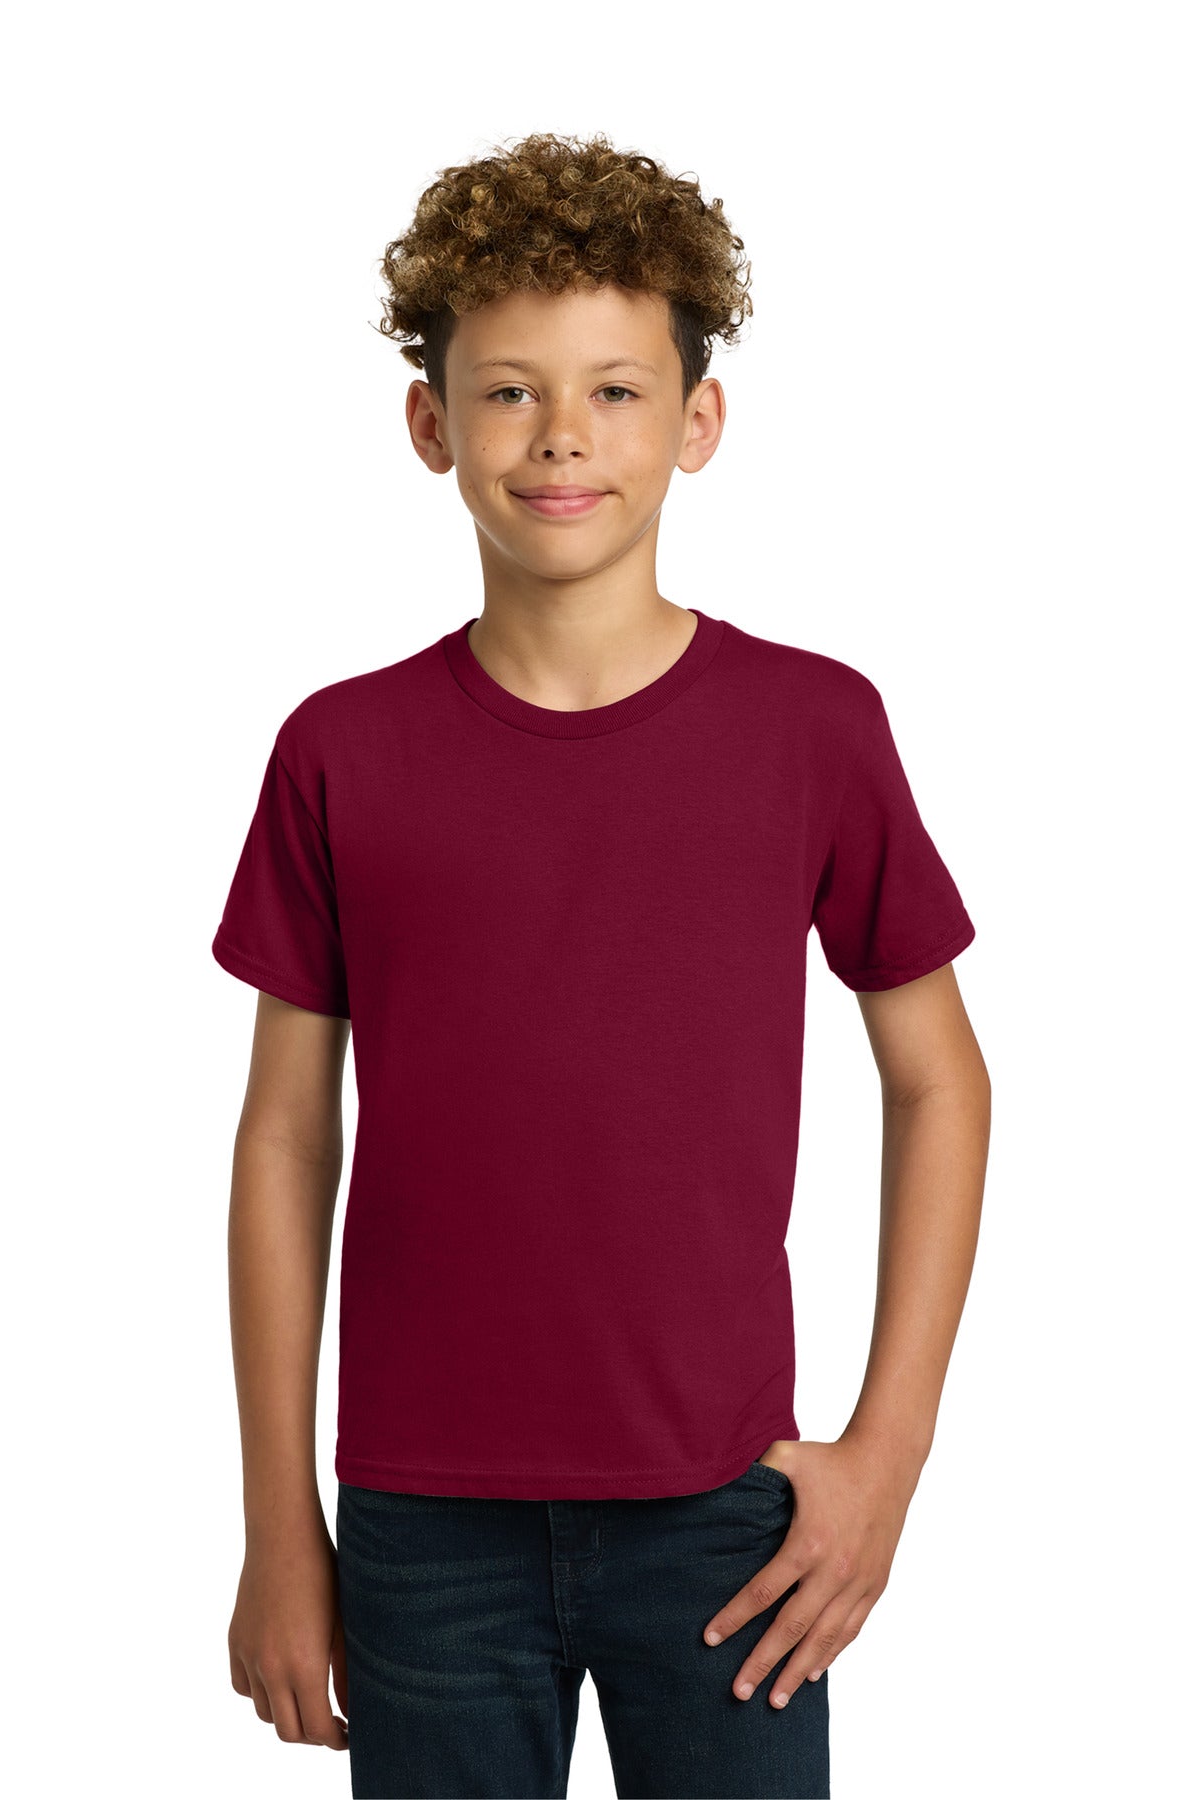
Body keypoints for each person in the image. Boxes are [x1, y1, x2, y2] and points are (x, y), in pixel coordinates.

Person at [211, 130, 991, 1800]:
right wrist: (282, 1522)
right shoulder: (340, 751)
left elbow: (938, 1078)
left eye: (616, 392)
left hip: (726, 1514)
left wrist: (890, 1454)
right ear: (430, 424)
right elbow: (283, 1137)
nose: (562, 434)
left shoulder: (812, 728)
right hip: (422, 1518)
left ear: (698, 422)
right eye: (508, 392)